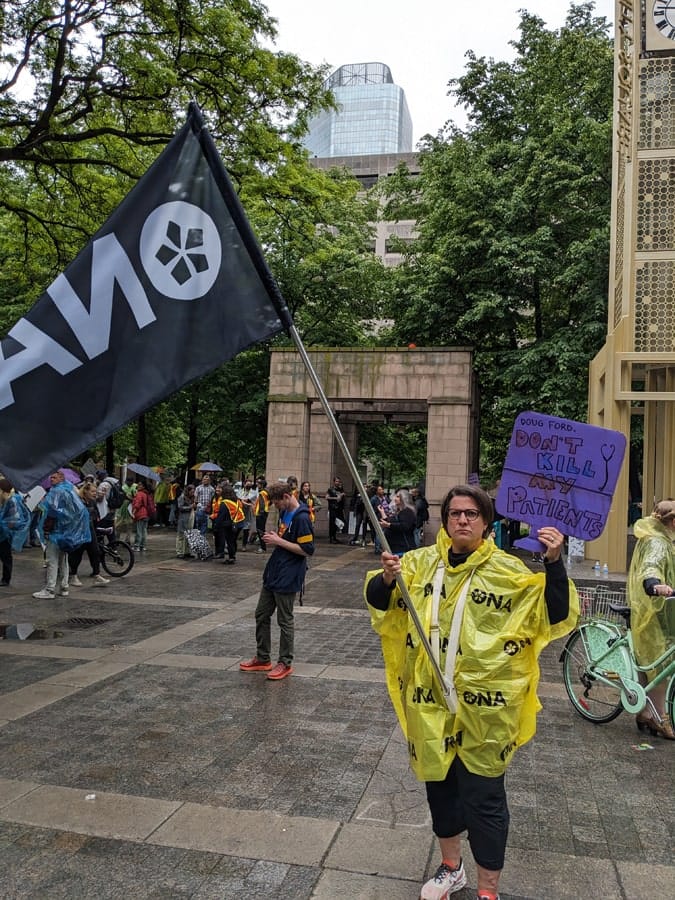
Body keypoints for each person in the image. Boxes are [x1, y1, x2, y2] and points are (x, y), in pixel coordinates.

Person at [364, 484, 578, 900]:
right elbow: (378, 599)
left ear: (486, 522)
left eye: (472, 514)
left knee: (484, 798)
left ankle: (488, 889)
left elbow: (551, 613)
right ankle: (450, 867)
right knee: (439, 788)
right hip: (429, 703)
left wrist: (554, 564)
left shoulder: (509, 570)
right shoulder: (417, 564)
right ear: (445, 520)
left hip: (487, 710)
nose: (463, 520)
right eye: (455, 513)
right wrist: (388, 578)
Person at [239, 482, 315, 680]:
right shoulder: (285, 513)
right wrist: (276, 538)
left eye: (277, 503)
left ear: (286, 497)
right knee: (261, 614)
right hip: (275, 572)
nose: (275, 507)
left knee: (284, 619)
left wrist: (278, 541)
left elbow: (307, 550)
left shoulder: (302, 518)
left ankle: (285, 662)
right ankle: (263, 657)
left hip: (289, 574)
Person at [628, 498, 675, 740]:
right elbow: (651, 567)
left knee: (657, 664)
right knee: (661, 666)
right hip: (653, 613)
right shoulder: (657, 541)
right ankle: (658, 717)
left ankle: (648, 712)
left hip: (658, 611)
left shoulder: (663, 539)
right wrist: (655, 585)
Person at [33, 470, 90, 600]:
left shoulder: (56, 491)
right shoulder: (70, 490)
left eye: (54, 477)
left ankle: (50, 589)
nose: (51, 479)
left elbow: (52, 510)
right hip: (66, 532)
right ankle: (64, 587)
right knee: (63, 560)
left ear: (61, 477)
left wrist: (42, 504)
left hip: (55, 531)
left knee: (52, 560)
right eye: (51, 477)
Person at [68, 481, 109, 586]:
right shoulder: (78, 502)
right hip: (79, 532)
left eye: (95, 491)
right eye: (92, 491)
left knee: (95, 552)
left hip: (90, 531)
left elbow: (96, 516)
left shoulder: (92, 502)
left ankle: (96, 574)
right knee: (77, 554)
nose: (95, 493)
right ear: (85, 491)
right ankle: (74, 576)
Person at [0, 477, 30, 587]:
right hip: (2, 533)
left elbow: (15, 520)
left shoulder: (11, 501)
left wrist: (3, 524)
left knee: (6, 557)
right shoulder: (4, 500)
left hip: (5, 535)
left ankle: (6, 579)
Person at [381, 488, 417, 555]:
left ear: (404, 498)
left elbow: (404, 526)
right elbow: (392, 522)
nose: (395, 498)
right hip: (395, 547)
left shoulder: (407, 511)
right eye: (396, 496)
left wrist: (388, 525)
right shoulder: (398, 511)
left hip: (402, 548)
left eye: (398, 497)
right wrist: (382, 513)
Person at [131, 480, 155, 551]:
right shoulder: (146, 494)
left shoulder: (139, 493)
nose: (138, 486)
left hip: (140, 514)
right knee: (144, 530)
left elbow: (137, 504)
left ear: (143, 486)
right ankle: (142, 546)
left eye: (140, 485)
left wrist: (133, 512)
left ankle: (137, 546)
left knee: (139, 531)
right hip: (146, 514)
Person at [176, 484, 196, 558]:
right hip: (183, 518)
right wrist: (190, 506)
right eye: (191, 491)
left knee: (189, 534)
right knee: (181, 535)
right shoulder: (182, 497)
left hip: (190, 516)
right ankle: (179, 551)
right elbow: (180, 507)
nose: (193, 493)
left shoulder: (193, 497)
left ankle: (187, 551)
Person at [326, 475, 346, 544]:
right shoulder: (330, 489)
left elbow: (342, 498)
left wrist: (342, 494)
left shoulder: (340, 489)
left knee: (337, 524)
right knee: (332, 523)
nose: (337, 483)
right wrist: (335, 498)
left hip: (339, 509)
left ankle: (334, 537)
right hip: (332, 508)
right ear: (334, 482)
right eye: (336, 481)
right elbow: (327, 497)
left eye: (339, 481)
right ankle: (331, 538)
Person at [253, 477, 270, 553]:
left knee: (260, 530)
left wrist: (260, 512)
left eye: (259, 483)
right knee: (261, 530)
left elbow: (262, 504)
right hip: (263, 513)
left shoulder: (262, 492)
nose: (257, 484)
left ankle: (263, 547)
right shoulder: (266, 491)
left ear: (262, 485)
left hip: (261, 514)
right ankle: (263, 547)